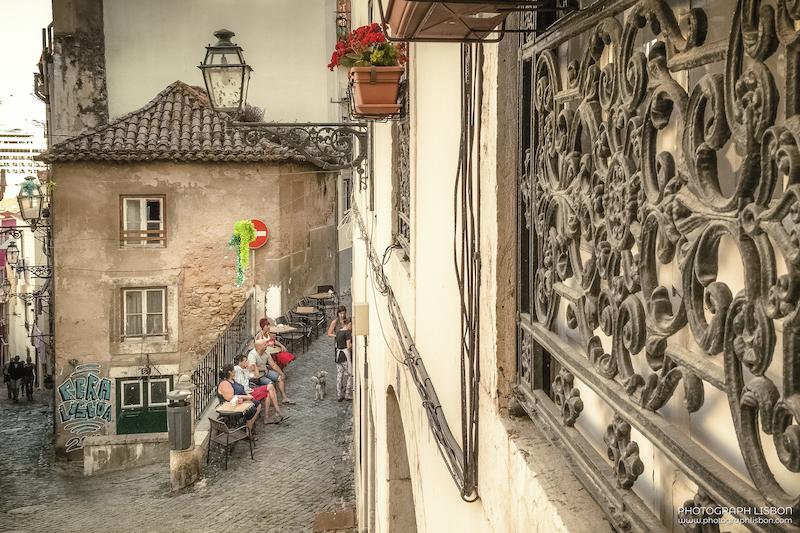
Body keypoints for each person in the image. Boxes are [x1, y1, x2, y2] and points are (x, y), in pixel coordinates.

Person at [234, 354, 286, 424]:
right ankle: (277, 412)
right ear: (240, 362)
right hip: (245, 393)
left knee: (268, 391)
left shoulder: (245, 370)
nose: (247, 362)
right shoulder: (236, 369)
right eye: (246, 361)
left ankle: (268, 417)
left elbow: (256, 376)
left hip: (249, 390)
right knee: (270, 387)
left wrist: (255, 366)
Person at [247, 338, 295, 404]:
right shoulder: (252, 355)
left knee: (280, 378)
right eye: (264, 344)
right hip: (258, 376)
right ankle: (273, 402)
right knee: (270, 383)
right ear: (259, 347)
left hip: (266, 372)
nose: (267, 345)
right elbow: (252, 369)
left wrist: (281, 373)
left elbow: (273, 364)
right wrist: (263, 369)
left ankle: (284, 398)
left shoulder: (266, 352)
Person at [217, 364, 261, 432]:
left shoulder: (232, 380)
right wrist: (246, 397)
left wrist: (247, 396)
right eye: (233, 370)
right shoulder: (225, 383)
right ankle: (247, 430)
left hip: (241, 400)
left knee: (257, 404)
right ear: (230, 372)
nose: (235, 371)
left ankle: (248, 426)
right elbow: (230, 398)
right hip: (233, 405)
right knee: (252, 409)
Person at [335, 318, 353, 402]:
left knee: (339, 375)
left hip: (338, 355)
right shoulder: (347, 332)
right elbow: (348, 346)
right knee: (349, 374)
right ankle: (347, 394)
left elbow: (336, 344)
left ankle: (339, 395)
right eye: (351, 325)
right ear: (349, 324)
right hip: (345, 356)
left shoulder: (338, 332)